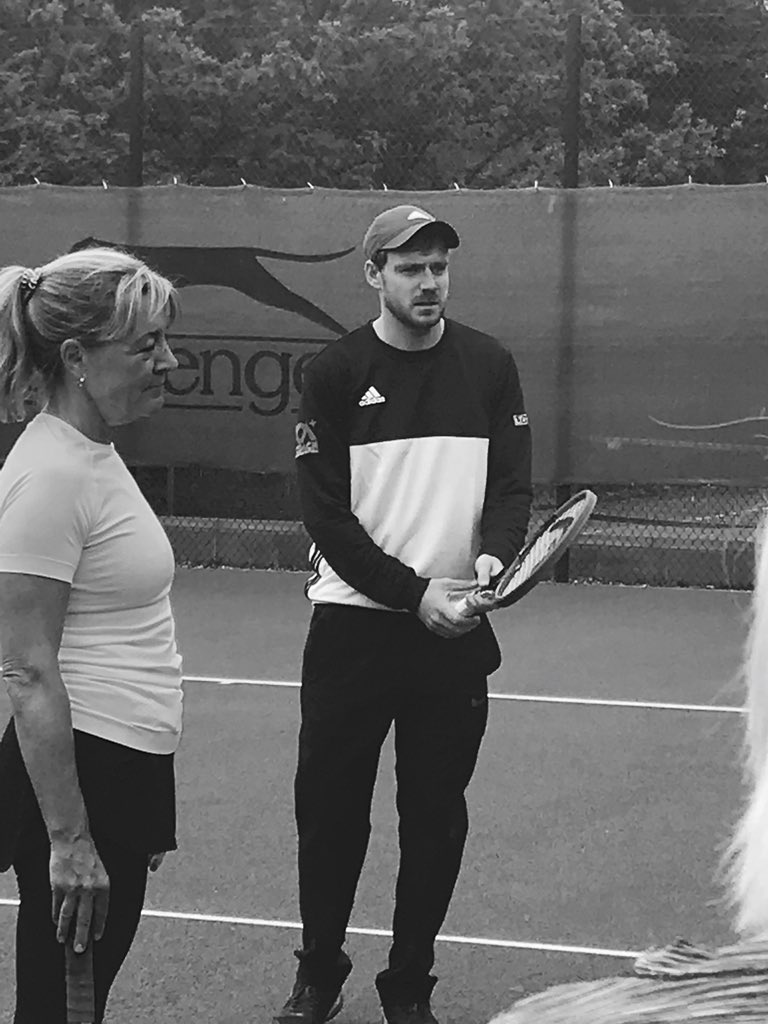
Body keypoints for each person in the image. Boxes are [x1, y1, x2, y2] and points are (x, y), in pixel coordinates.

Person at [276, 205, 533, 1024]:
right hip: (352, 631)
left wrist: (495, 554)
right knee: (330, 819)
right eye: (410, 267)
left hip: (452, 639)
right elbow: (326, 517)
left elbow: (511, 488)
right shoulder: (334, 373)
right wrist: (414, 593)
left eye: (439, 267)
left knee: (435, 821)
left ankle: (409, 984)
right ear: (374, 274)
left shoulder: (489, 365)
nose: (429, 283)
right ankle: (319, 973)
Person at [0, 247, 182, 1023]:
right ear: (76, 357)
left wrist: (144, 800)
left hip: (120, 768)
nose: (168, 362)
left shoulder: (89, 455)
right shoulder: (53, 475)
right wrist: (71, 840)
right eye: (145, 346)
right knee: (60, 1009)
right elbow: (27, 669)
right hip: (88, 773)